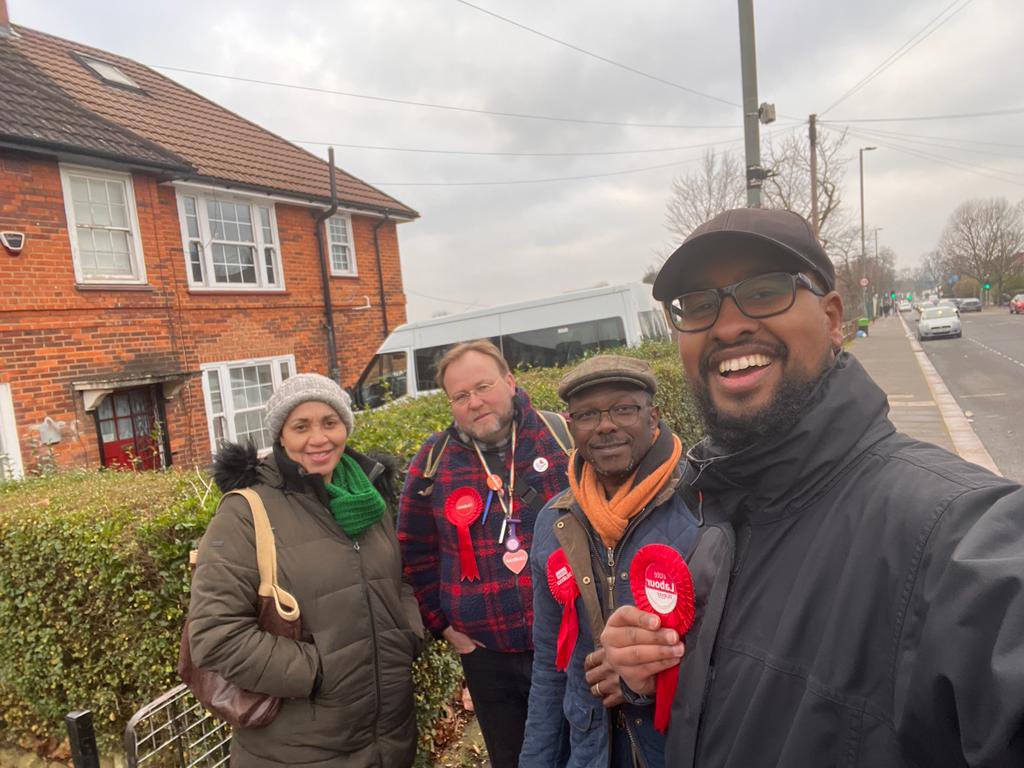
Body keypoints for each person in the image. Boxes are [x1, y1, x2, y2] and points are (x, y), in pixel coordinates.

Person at [600, 207, 1024, 767]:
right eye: (699, 305)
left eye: (766, 290)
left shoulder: (958, 533)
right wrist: (655, 677)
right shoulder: (715, 531)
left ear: (832, 318)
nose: (727, 326)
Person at [188, 373, 423, 767]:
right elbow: (216, 635)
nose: (319, 439)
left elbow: (397, 580)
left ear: (345, 427)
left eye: (330, 422)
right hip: (297, 751)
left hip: (391, 737)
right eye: (301, 426)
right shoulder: (245, 512)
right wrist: (319, 672)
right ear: (281, 435)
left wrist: (406, 636)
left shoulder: (369, 496)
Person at [398, 340, 573, 768]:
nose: (475, 402)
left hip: (571, 642)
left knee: (585, 754)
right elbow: (414, 549)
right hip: (488, 655)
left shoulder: (561, 436)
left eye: (484, 386)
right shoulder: (434, 460)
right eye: (460, 396)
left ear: (510, 382)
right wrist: (444, 627)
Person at [519, 356, 700, 768]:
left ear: (653, 417)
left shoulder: (704, 506)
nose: (605, 425)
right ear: (571, 427)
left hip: (678, 747)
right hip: (591, 751)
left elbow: (741, 652)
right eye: (587, 415)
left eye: (623, 409)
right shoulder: (554, 522)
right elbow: (549, 668)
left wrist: (645, 678)